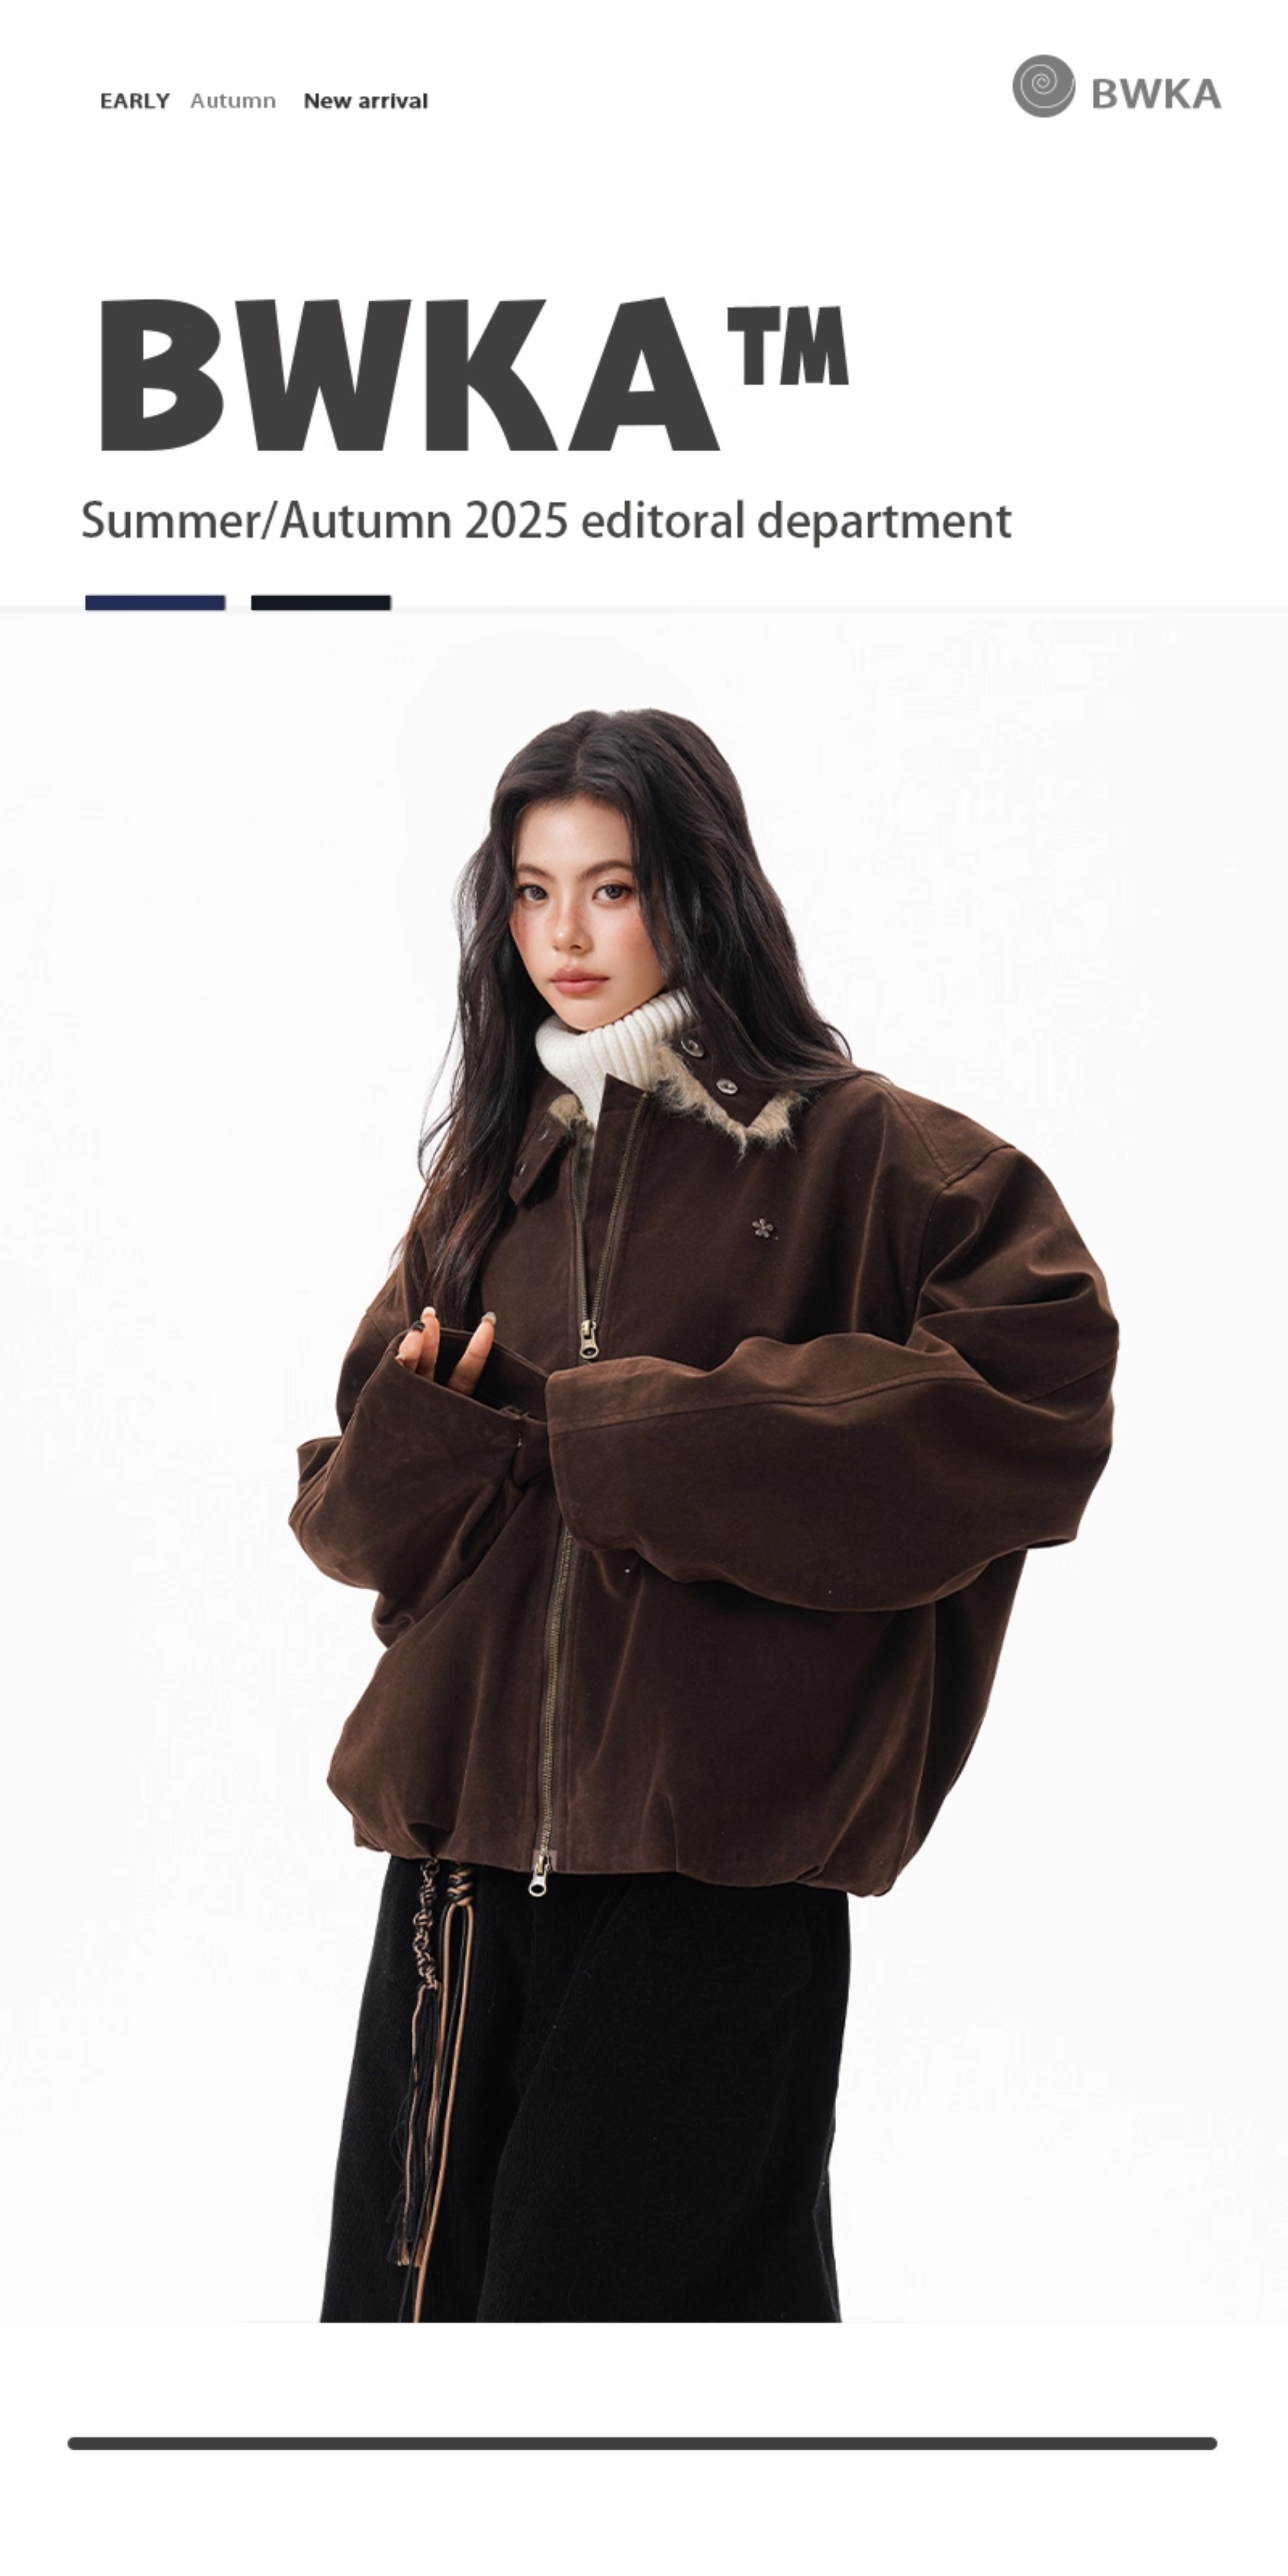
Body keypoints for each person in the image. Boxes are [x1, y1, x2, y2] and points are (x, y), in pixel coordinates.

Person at [289, 707, 1118, 2324]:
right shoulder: (488, 1182)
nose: (566, 936)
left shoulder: (865, 1156)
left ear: (697, 889)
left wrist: (628, 1434)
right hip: (458, 1880)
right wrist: (439, 1440)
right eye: (533, 893)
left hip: (716, 1882)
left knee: (634, 2372)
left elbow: (1036, 1391)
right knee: (420, 2372)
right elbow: (347, 1528)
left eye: (611, 888)